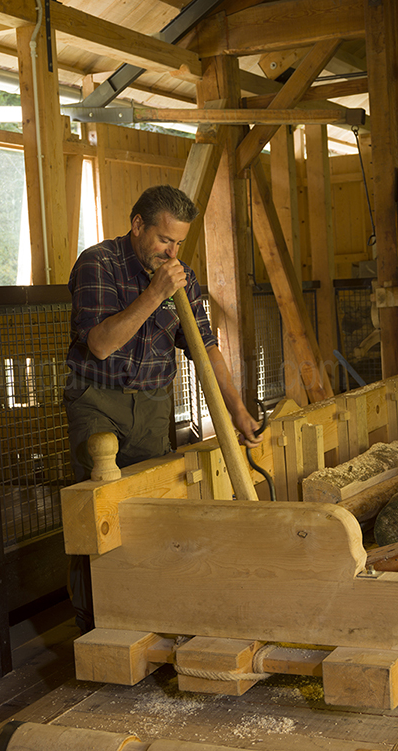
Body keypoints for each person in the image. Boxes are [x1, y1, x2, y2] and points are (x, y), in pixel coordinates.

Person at [63, 184, 260, 632]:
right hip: (98, 400)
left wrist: (236, 410)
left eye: (178, 243)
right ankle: (94, 623)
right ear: (138, 226)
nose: (171, 252)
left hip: (152, 405)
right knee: (98, 510)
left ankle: (148, 610)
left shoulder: (180, 276)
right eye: (164, 240)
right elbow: (99, 345)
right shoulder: (99, 263)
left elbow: (205, 349)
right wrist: (154, 294)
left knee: (151, 508)